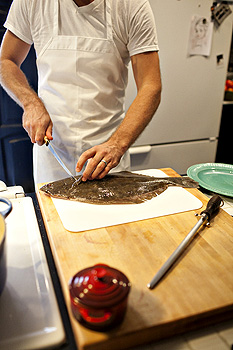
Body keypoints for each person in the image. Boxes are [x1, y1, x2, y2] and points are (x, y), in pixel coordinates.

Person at [0, 0, 161, 184]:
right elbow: (6, 60)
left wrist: (117, 144)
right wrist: (30, 104)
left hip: (107, 157)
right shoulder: (32, 2)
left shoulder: (132, 6)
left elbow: (151, 86)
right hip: (52, 154)